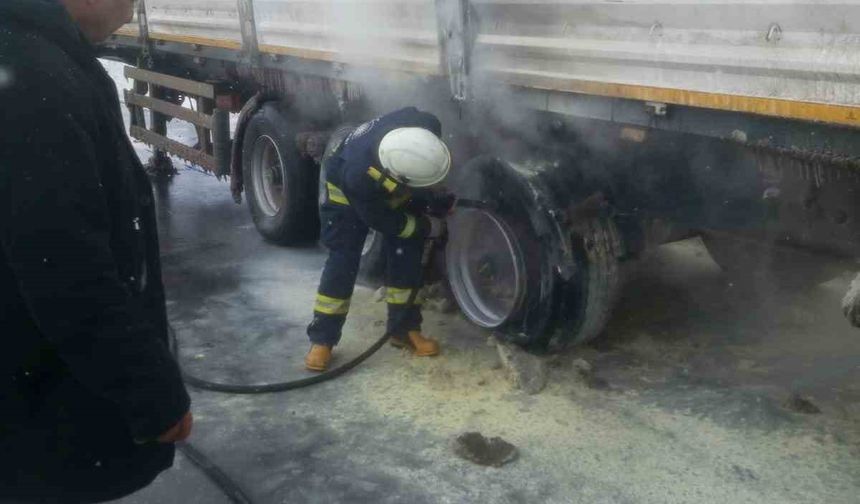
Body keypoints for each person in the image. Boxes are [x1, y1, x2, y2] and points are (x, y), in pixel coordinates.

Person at [0, 0, 192, 501]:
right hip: (38, 398)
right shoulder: (31, 77)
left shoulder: (29, 55)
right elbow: (63, 265)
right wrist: (149, 390)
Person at [306, 107, 455, 371]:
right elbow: (386, 222)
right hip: (345, 195)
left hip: (385, 181)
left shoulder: (425, 123)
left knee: (407, 252)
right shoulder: (358, 177)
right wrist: (427, 226)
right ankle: (323, 340)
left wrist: (430, 197)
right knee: (344, 259)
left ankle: (404, 330)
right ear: (396, 177)